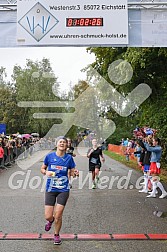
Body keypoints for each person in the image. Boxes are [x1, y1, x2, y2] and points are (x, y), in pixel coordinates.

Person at [41, 136, 75, 245]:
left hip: (63, 189)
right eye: (60, 142)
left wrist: (76, 173)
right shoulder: (49, 156)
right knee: (48, 216)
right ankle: (50, 221)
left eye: (64, 142)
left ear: (66, 145)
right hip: (51, 188)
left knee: (58, 215)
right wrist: (46, 172)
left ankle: (56, 235)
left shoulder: (69, 158)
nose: (62, 144)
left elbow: (73, 171)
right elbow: (42, 168)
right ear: (56, 144)